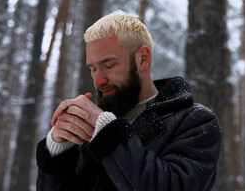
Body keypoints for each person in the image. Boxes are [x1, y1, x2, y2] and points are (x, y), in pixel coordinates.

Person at [36, 10, 222, 190]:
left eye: (109, 65)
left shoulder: (196, 122)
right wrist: (58, 150)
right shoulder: (91, 130)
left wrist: (109, 134)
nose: (99, 80)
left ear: (143, 58)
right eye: (93, 69)